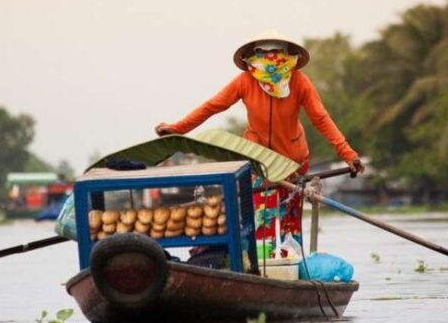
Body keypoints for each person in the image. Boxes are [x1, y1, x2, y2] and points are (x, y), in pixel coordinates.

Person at [155, 31, 364, 247]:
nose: (269, 60)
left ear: (287, 56)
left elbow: (321, 118)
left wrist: (348, 154)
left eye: (275, 53)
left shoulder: (299, 82)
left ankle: (291, 266)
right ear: (252, 58)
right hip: (258, 161)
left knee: (290, 222)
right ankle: (264, 267)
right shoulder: (245, 81)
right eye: (262, 54)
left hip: (293, 160)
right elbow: (212, 106)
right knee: (261, 218)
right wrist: (178, 128)